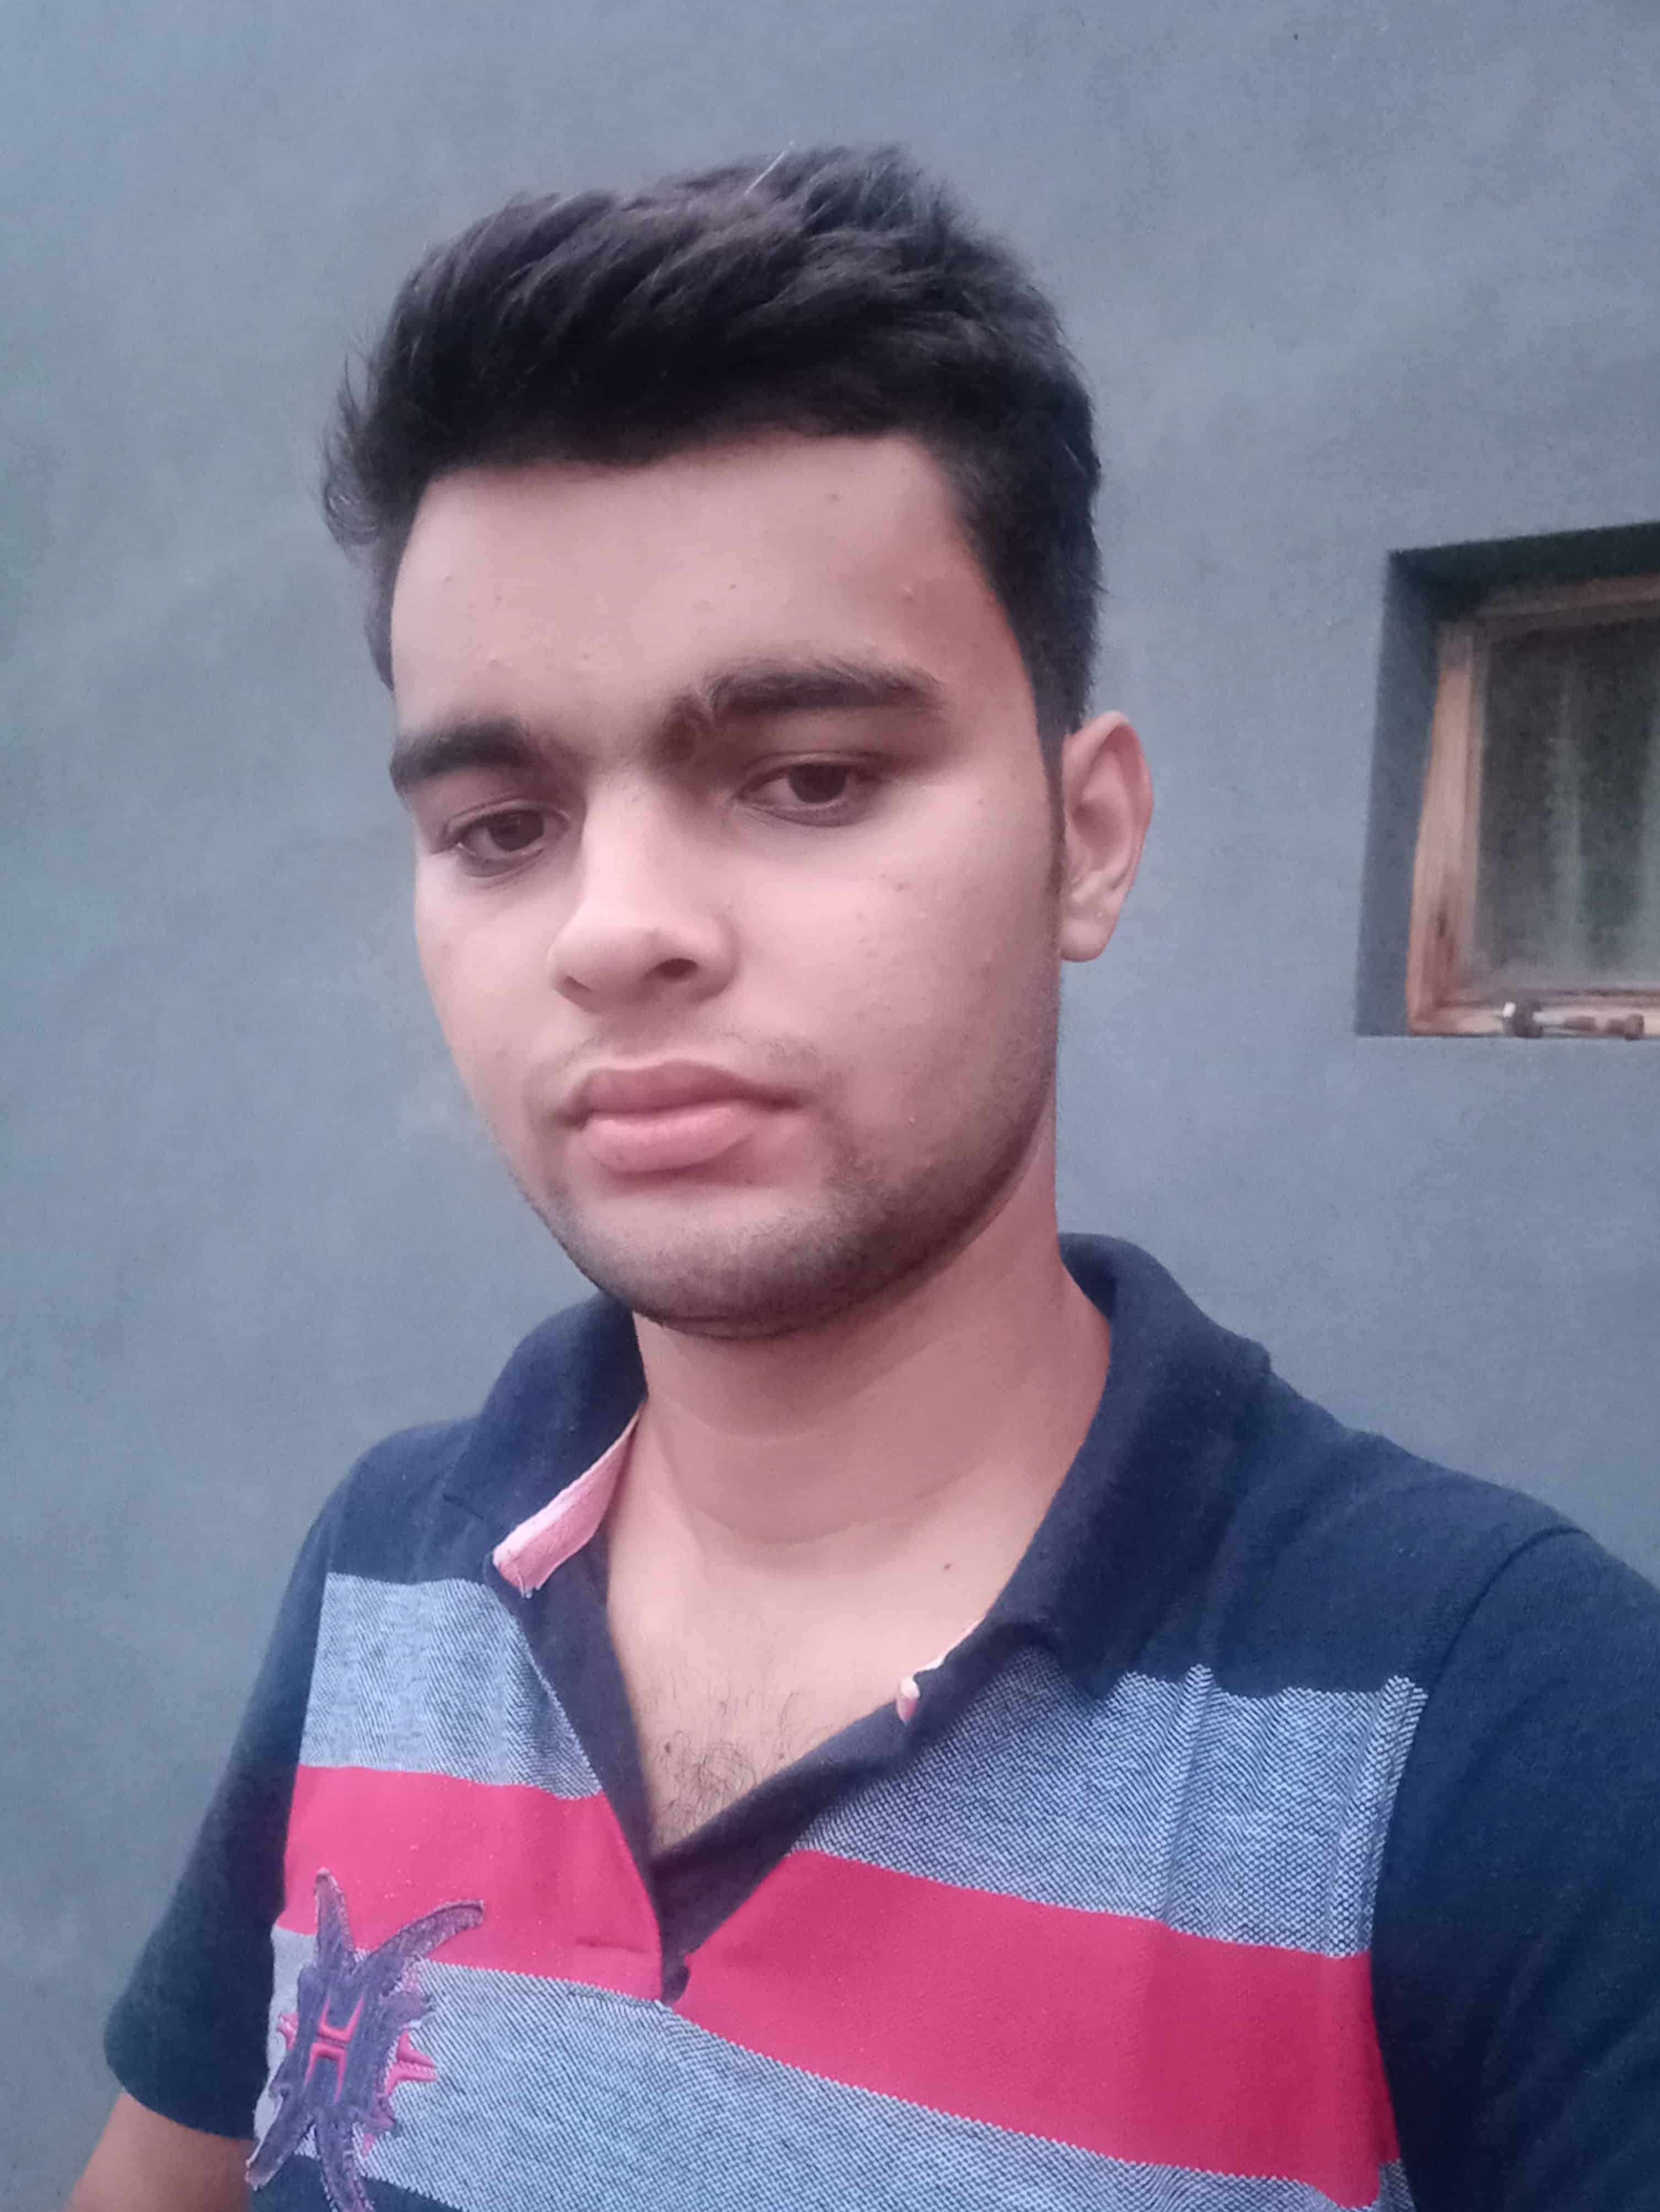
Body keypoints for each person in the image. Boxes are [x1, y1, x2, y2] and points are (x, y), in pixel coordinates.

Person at [69, 148, 1659, 2212]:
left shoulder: (1519, 1737)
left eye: (808, 777)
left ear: (1088, 838)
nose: (614, 931)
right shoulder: (388, 1572)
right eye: (499, 825)